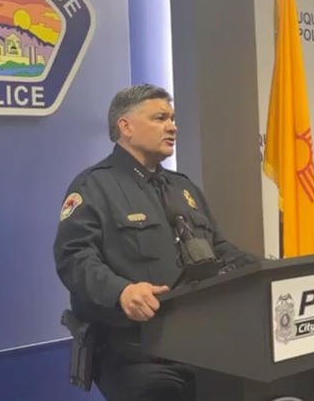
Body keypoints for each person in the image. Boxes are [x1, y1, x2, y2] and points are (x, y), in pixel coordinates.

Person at [53, 84, 257, 401]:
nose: (172, 126)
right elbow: (74, 258)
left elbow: (219, 249)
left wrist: (266, 271)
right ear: (126, 126)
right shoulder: (94, 186)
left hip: (202, 347)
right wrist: (120, 291)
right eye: (160, 118)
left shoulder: (183, 188)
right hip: (134, 352)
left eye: (172, 118)